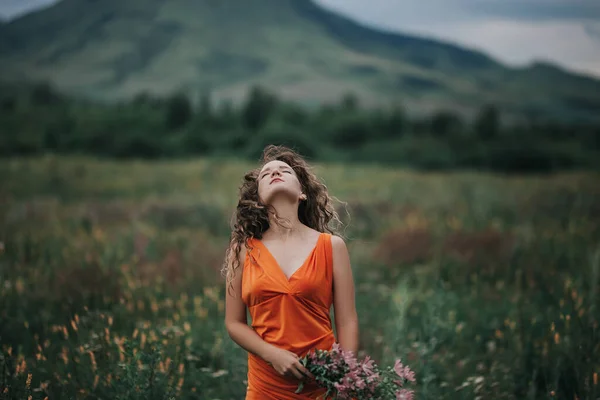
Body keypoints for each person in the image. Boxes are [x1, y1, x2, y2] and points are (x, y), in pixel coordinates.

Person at [222, 145, 359, 399]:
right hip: (266, 385)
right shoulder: (242, 249)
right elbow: (233, 323)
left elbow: (347, 321)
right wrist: (272, 354)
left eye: (284, 170)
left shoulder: (332, 247)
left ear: (302, 193)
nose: (275, 172)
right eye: (266, 174)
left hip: (321, 382)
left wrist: (346, 378)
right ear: (259, 199)